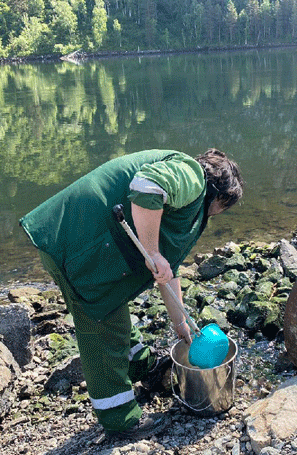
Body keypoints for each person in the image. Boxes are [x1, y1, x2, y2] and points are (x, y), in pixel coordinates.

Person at [19, 148, 244, 440]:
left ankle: (144, 368)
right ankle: (121, 420)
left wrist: (180, 323)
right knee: (101, 330)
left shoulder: (188, 203)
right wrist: (151, 251)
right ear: (222, 196)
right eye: (225, 207)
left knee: (112, 311)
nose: (220, 214)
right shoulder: (191, 176)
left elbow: (168, 268)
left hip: (89, 245)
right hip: (73, 241)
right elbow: (146, 186)